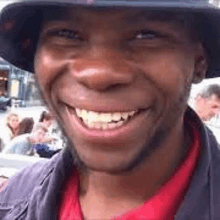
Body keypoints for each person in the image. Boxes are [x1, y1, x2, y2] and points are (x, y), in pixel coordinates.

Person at [1, 0, 220, 219]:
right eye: (66, 34)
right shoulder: (13, 199)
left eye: (147, 35)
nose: (99, 75)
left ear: (199, 61)